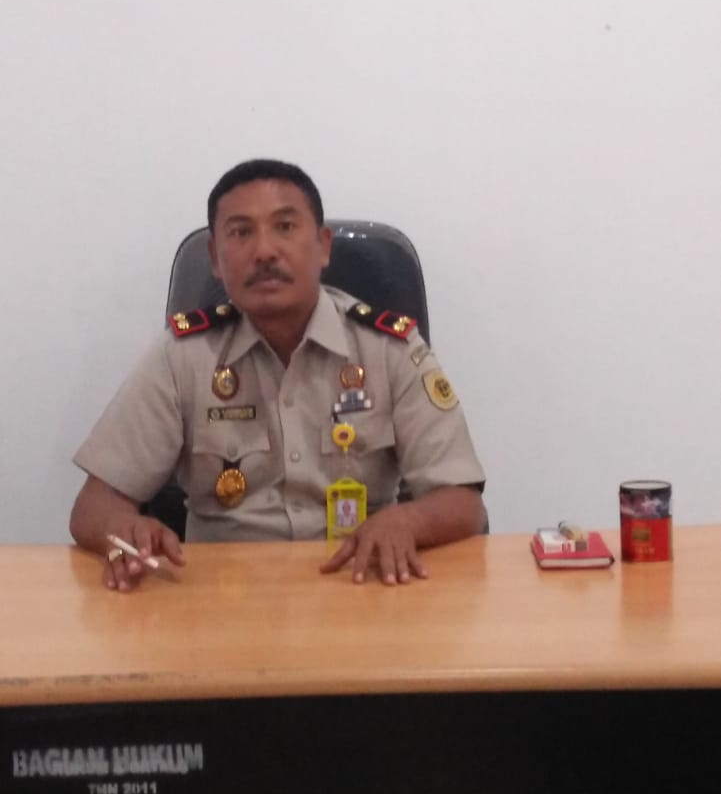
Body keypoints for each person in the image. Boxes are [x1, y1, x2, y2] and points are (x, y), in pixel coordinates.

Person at [70, 158, 487, 590]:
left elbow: (463, 502)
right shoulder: (183, 356)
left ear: (322, 246)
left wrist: (407, 522)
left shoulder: (389, 349)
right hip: (220, 598)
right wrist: (122, 532)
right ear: (215, 258)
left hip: (359, 582)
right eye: (241, 232)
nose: (265, 251)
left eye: (285, 227)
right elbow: (93, 507)